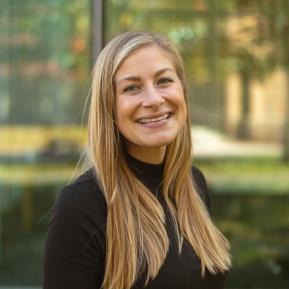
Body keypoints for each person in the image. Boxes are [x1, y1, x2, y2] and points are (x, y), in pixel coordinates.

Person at [43, 31, 231, 289]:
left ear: (183, 92)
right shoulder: (83, 204)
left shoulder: (193, 183)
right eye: (132, 88)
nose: (154, 100)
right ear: (109, 106)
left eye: (164, 81)